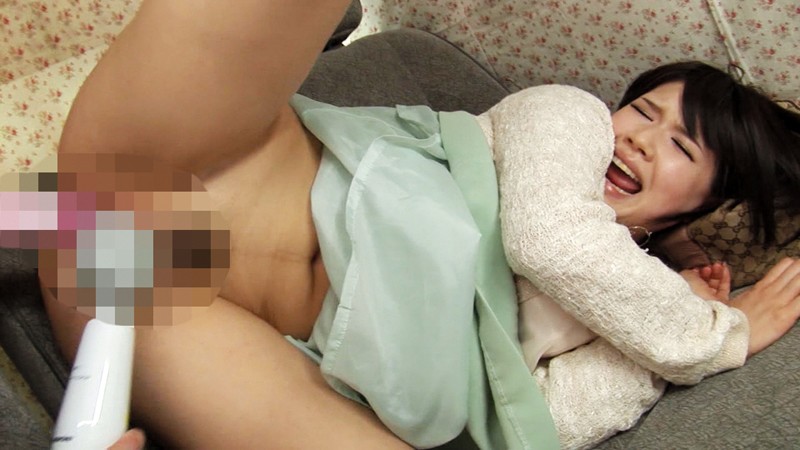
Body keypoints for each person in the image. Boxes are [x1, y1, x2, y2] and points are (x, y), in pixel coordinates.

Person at [41, 1, 800, 449]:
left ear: (701, 210)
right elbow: (552, 241)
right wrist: (719, 333)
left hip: (178, 315)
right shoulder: (567, 117)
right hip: (209, 166)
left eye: (681, 147)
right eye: (640, 111)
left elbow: (542, 423)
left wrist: (653, 350)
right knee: (92, 195)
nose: (638, 138)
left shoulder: (634, 311)